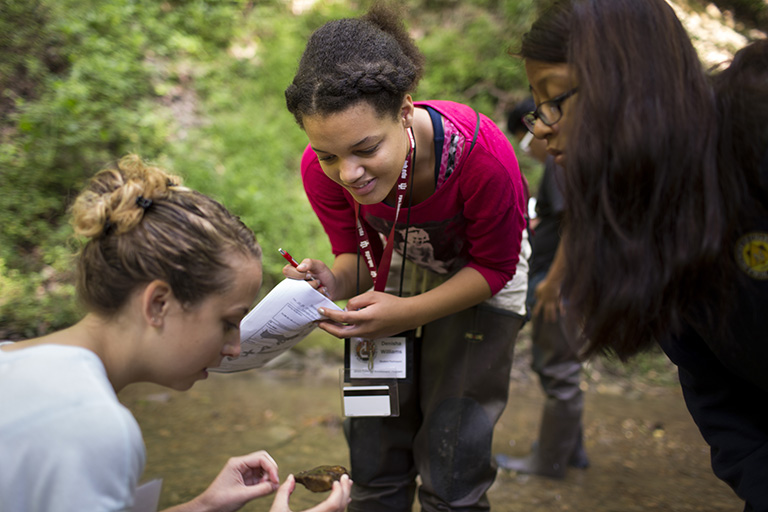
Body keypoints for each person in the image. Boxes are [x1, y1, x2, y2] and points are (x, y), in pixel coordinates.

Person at [518, 0, 768, 509]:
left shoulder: (753, 126)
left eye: (555, 99)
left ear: (628, 79)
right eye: (537, 105)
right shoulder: (649, 232)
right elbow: (718, 396)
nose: (542, 127)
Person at [0, 154, 352, 512]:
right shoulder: (93, 426)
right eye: (228, 322)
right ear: (158, 305)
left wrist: (203, 506)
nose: (234, 347)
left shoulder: (11, 359)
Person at [283, 3, 530, 510]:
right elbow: (353, 256)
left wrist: (407, 312)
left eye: (365, 149)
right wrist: (331, 282)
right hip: (393, 266)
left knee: (453, 454)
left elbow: (496, 268)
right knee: (375, 457)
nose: (347, 173)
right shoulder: (321, 168)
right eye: (329, 155)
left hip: (479, 274)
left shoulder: (482, 158)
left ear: (405, 110)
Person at [495, 98, 589, 479]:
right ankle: (572, 453)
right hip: (556, 276)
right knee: (558, 363)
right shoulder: (557, 162)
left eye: (523, 138)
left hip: (559, 282)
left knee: (558, 369)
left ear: (530, 129)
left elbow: (576, 222)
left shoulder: (559, 160)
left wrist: (553, 283)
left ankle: (549, 462)